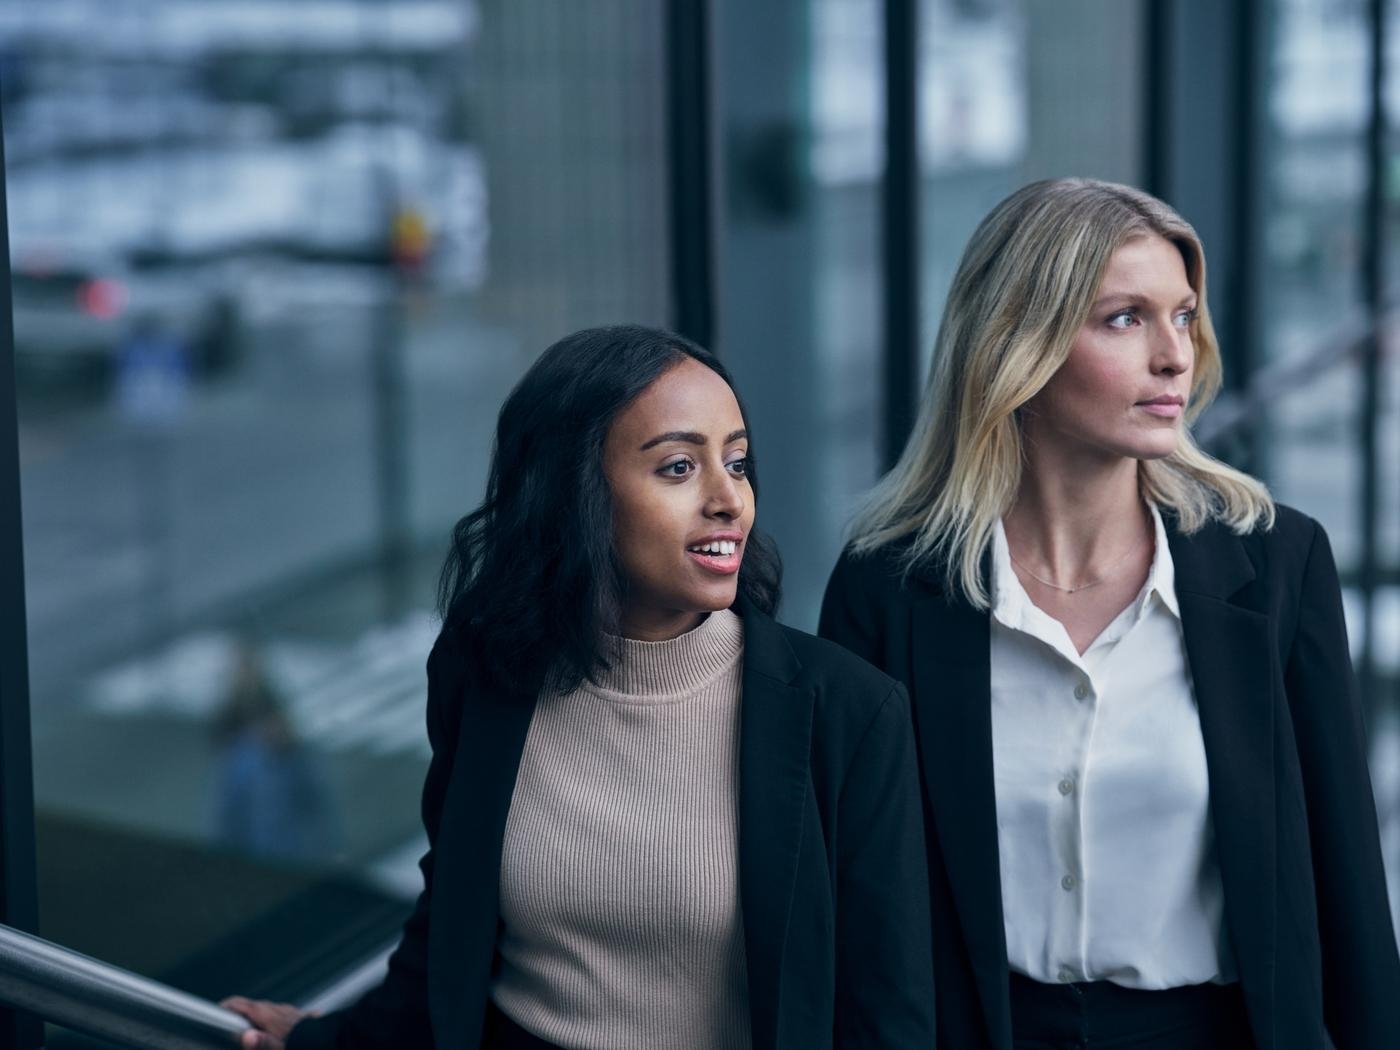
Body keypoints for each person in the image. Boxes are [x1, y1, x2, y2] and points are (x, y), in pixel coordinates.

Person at [226, 324, 935, 1049]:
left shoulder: (849, 714)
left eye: (739, 461)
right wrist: (326, 1040)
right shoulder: (485, 672)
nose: (730, 500)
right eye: (678, 468)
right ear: (575, 491)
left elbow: (887, 1022)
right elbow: (450, 932)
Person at [819, 177, 1400, 1050]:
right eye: (1125, 318)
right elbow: (852, 905)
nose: (1175, 355)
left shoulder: (1275, 564)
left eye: (1184, 315)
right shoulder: (890, 589)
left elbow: (1346, 884)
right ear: (1020, 342)